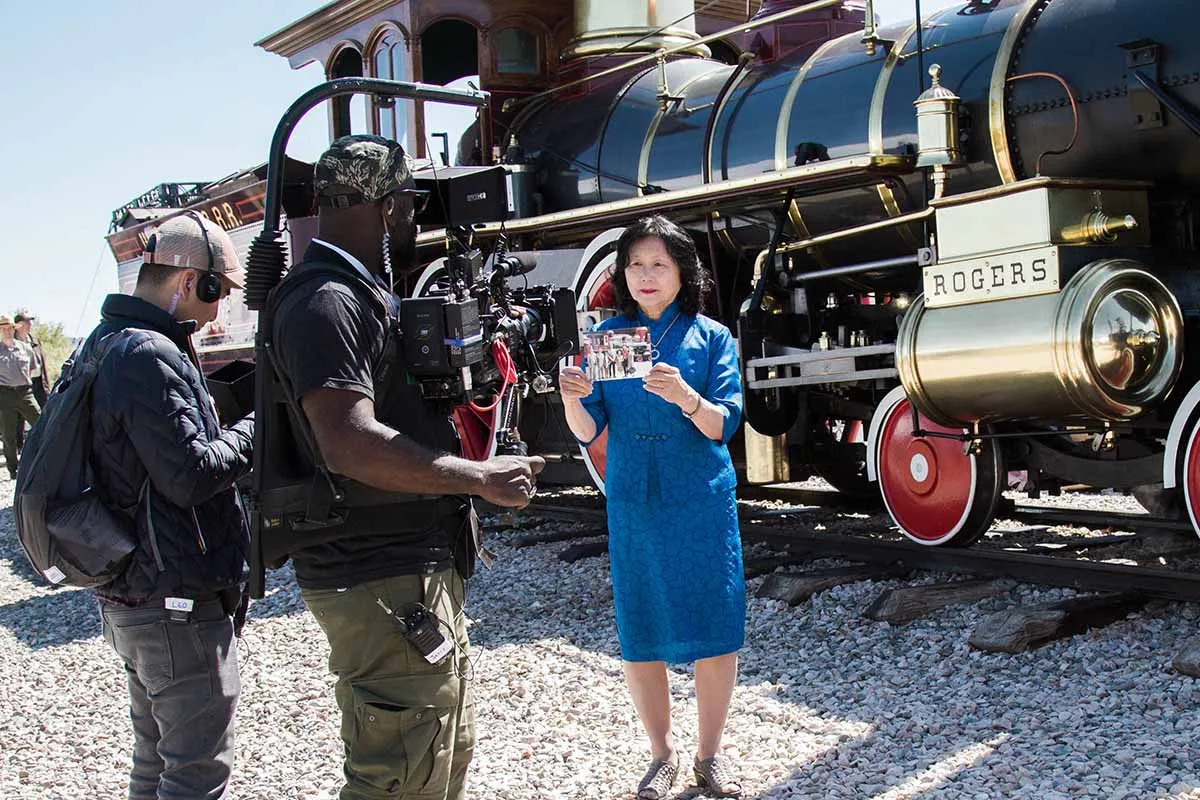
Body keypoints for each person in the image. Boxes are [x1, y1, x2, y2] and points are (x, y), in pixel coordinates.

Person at [263, 134, 544, 800]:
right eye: (411, 202)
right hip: (377, 575)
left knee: (439, 751)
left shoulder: (357, 294)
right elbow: (349, 441)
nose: (416, 218)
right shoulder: (325, 301)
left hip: (408, 571)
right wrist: (478, 478)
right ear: (387, 206)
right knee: (399, 771)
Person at [559, 215, 746, 799]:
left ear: (681, 272)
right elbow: (591, 427)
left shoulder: (712, 338)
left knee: (716, 628)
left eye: (659, 264)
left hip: (701, 498)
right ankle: (660, 755)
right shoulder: (607, 339)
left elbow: (724, 425)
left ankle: (709, 757)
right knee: (640, 630)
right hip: (634, 499)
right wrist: (570, 400)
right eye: (636, 264)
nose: (646, 275)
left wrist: (687, 397)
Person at [85, 213, 255, 799]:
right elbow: (189, 474)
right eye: (218, 293)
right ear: (188, 282)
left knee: (157, 762)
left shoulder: (107, 343)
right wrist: (258, 429)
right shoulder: (148, 355)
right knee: (195, 774)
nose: (217, 313)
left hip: (139, 594)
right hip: (172, 603)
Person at [0, 313, 40, 479]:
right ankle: (13, 470)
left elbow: (33, 370)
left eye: (9, 327)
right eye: (3, 328)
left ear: (13, 328)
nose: (7, 331)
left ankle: (44, 460)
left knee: (41, 423)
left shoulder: (25, 348)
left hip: (25, 392)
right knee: (8, 435)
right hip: (5, 394)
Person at [14, 312, 47, 406]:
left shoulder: (35, 342)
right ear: (18, 325)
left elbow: (42, 365)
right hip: (21, 387)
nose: (30, 325)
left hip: (39, 384)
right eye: (27, 322)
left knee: (42, 414)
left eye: (30, 322)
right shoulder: (10, 343)